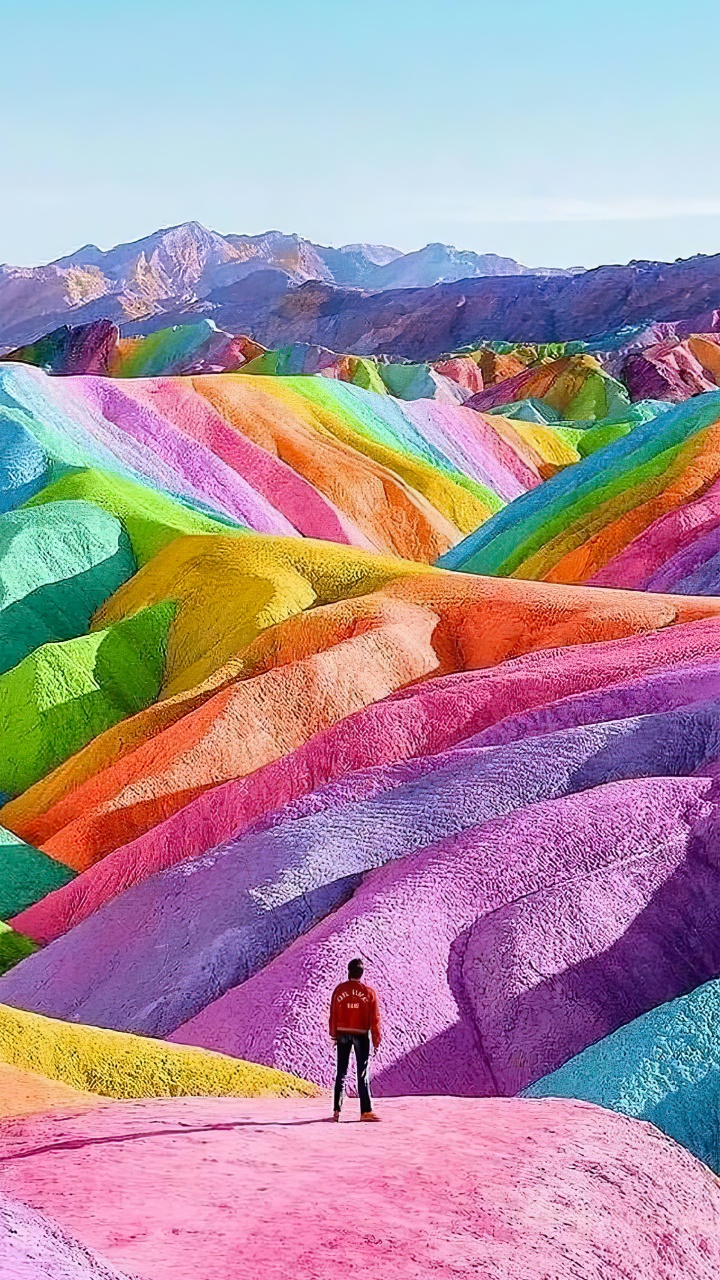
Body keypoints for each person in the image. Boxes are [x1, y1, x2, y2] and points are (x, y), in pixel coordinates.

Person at [329, 958, 381, 1122]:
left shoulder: (339, 990)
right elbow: (375, 1019)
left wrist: (334, 1035)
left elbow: (333, 1015)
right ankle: (365, 1111)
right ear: (361, 973)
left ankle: (337, 1111)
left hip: (343, 1034)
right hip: (361, 1034)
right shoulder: (368, 993)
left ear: (348, 971)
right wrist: (376, 1039)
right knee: (362, 1073)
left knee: (341, 1073)